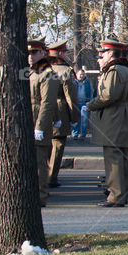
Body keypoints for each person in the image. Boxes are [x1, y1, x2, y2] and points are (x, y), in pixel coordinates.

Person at [87, 39, 128, 207]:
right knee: (124, 158)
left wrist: (90, 105)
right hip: (127, 116)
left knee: (113, 159)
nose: (100, 57)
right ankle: (122, 193)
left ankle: (115, 196)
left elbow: (108, 95)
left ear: (110, 54)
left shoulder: (114, 71)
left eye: (102, 54)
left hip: (114, 118)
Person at [27, 39, 62, 207]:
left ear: (43, 53)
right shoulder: (33, 72)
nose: (30, 56)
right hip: (30, 119)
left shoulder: (48, 73)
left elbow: (48, 102)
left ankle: (40, 195)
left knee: (40, 162)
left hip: (38, 120)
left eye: (34, 52)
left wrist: (40, 126)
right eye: (28, 53)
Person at [47, 40, 79, 188]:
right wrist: (74, 117)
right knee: (58, 144)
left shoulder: (41, 69)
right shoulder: (65, 71)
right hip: (60, 109)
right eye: (65, 52)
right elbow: (70, 97)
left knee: (44, 145)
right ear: (60, 54)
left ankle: (42, 174)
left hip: (43, 109)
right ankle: (51, 177)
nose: (66, 54)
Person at [73, 68, 94, 138]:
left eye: (83, 74)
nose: (81, 76)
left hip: (85, 103)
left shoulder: (87, 82)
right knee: (75, 119)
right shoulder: (73, 82)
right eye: (80, 74)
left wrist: (89, 102)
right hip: (75, 103)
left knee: (84, 120)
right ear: (76, 75)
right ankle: (75, 134)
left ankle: (83, 134)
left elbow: (91, 92)